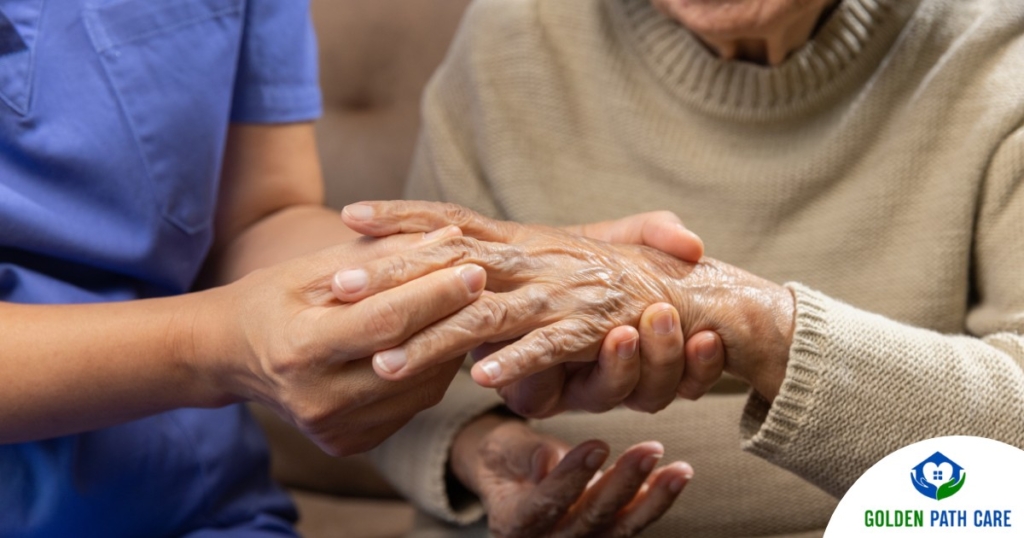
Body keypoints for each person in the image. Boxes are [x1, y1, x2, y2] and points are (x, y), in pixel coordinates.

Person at [0, 1, 709, 536]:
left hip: (204, 509)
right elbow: (225, 332)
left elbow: (257, 220)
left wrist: (498, 266)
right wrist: (213, 346)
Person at [331, 0, 1024, 535]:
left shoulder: (997, 47)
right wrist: (481, 450)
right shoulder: (513, 34)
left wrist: (753, 321)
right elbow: (396, 368)